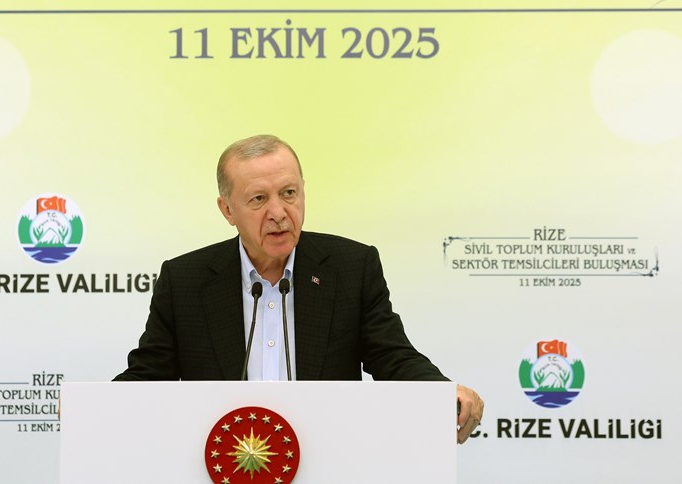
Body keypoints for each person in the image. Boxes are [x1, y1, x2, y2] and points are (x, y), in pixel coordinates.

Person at [115, 134, 484, 443]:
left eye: (288, 193)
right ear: (227, 210)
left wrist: (441, 390)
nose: (278, 212)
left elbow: (393, 357)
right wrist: (95, 406)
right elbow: (149, 376)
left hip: (328, 462)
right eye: (259, 199)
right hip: (222, 468)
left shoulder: (351, 268)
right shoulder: (185, 280)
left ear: (303, 192)